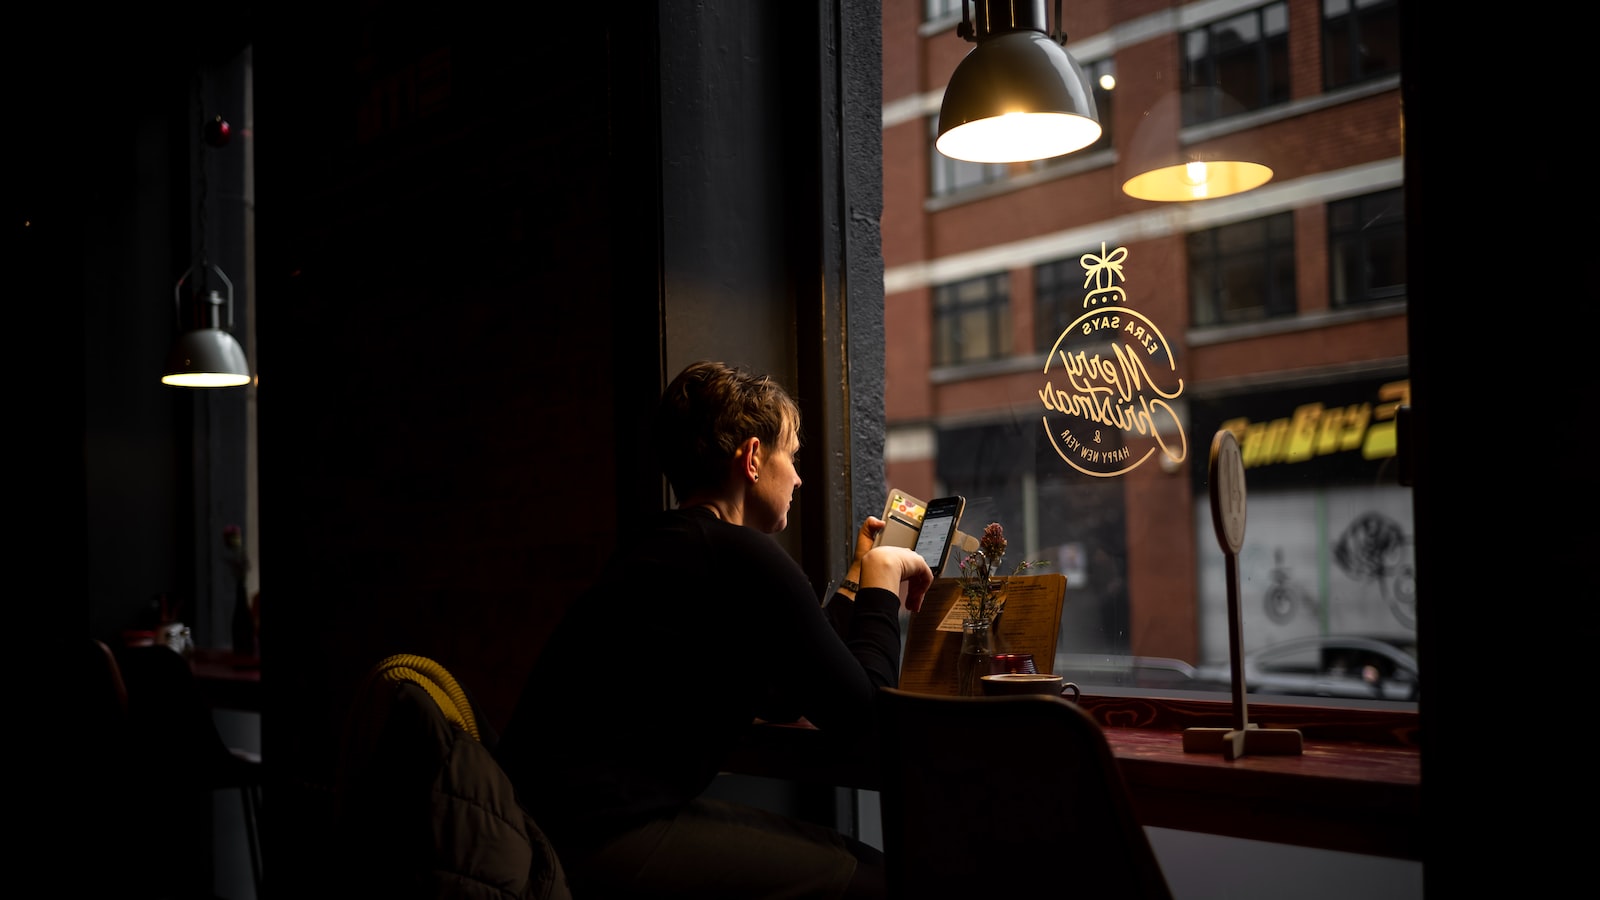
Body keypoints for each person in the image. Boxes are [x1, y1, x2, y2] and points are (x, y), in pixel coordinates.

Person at [494, 359, 933, 899]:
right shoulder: (742, 558)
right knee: (878, 880)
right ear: (752, 458)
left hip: (541, 822)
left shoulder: (664, 545)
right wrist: (883, 579)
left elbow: (783, 689)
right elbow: (864, 718)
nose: (797, 476)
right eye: (791, 456)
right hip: (591, 840)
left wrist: (852, 584)